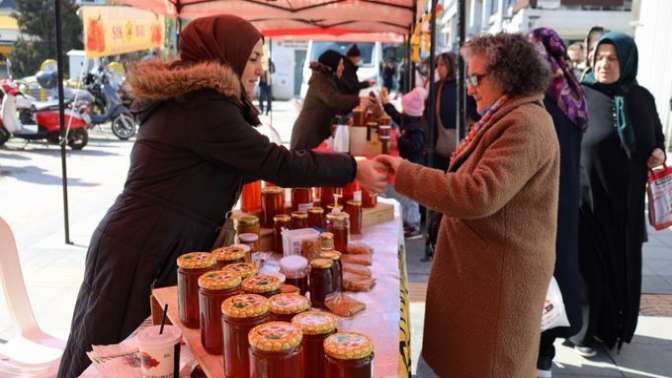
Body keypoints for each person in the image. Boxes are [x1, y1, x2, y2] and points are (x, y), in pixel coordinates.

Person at [56, 15, 387, 377]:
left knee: (150, 359)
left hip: (155, 242)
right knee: (119, 359)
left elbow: (252, 164)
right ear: (225, 56)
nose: (261, 69)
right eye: (254, 58)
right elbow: (278, 164)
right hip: (141, 248)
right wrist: (354, 167)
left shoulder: (197, 103)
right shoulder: (201, 106)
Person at [375, 33, 559, 377]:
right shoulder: (506, 115)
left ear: (508, 75)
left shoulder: (526, 124)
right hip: (479, 280)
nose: (470, 87)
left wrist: (406, 174)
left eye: (477, 78)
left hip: (494, 290)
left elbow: (478, 193)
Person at [578, 31, 666, 354]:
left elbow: (656, 137)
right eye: (600, 57)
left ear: (627, 62)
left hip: (627, 204)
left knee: (621, 265)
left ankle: (615, 328)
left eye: (612, 58)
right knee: (589, 266)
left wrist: (658, 152)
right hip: (587, 199)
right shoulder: (580, 94)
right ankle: (585, 333)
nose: (604, 63)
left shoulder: (642, 98)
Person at [529, 27, 590, 378]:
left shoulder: (543, 101)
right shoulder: (571, 93)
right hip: (565, 200)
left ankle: (539, 360)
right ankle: (543, 356)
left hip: (544, 201)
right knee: (557, 272)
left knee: (542, 277)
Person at [290, 50, 367, 150]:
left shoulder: (327, 80)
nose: (343, 68)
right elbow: (334, 100)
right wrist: (359, 100)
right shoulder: (320, 81)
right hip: (306, 136)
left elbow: (327, 109)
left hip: (314, 134)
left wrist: (343, 120)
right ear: (333, 66)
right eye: (340, 65)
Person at [379, 86, 427, 237]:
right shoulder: (409, 121)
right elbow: (397, 116)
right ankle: (410, 222)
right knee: (407, 195)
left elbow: (414, 147)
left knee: (411, 197)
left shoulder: (416, 129)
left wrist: (400, 140)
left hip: (414, 166)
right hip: (409, 166)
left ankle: (413, 225)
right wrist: (386, 104)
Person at [429, 52, 479, 171]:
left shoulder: (465, 87)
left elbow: (476, 113)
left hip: (463, 148)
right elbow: (430, 116)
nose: (438, 69)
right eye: (437, 65)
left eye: (442, 65)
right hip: (439, 149)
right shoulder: (436, 87)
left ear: (450, 66)